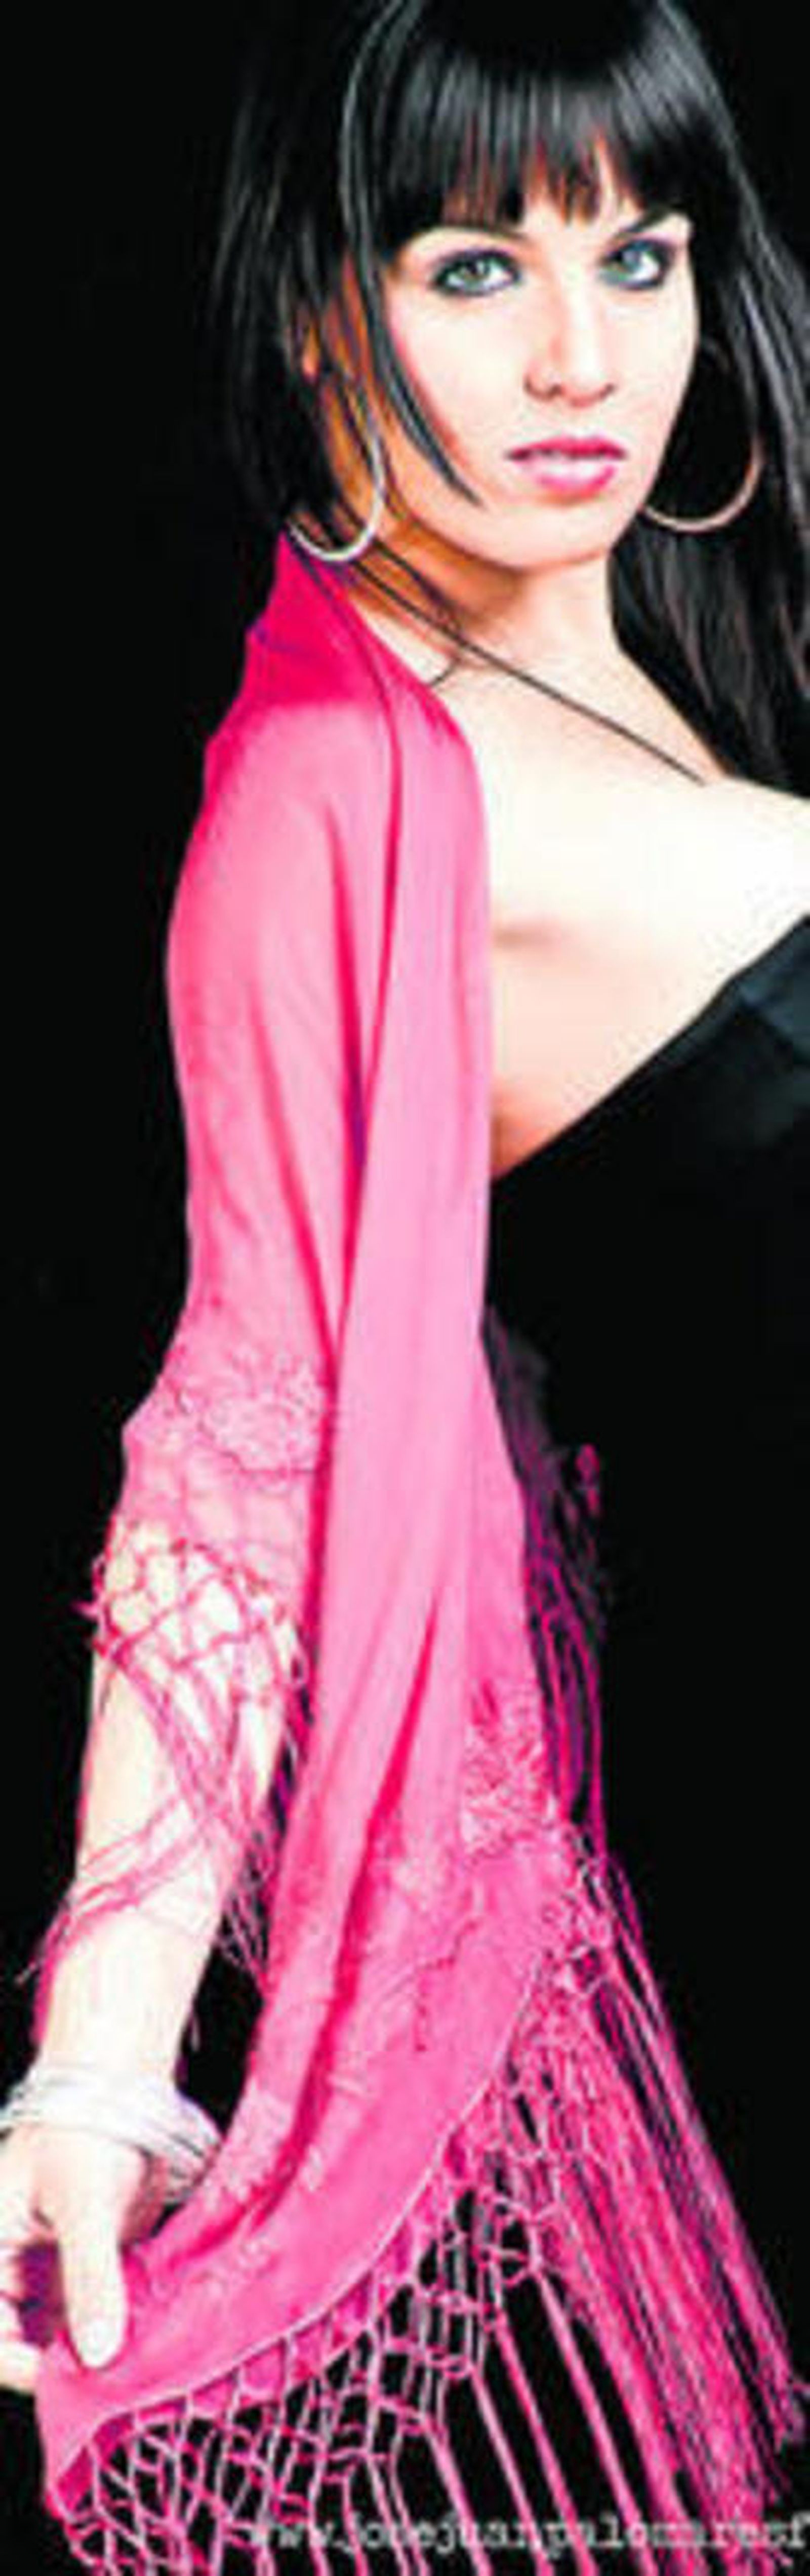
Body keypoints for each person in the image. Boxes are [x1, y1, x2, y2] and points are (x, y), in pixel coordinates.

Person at [1, 2, 807, 2566]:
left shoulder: (680, 639)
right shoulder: (338, 788)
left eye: (636, 254)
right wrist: (99, 2065)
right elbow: (246, 1419)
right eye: (478, 266)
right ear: (321, 312)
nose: (584, 358)